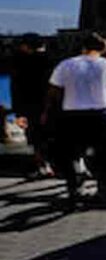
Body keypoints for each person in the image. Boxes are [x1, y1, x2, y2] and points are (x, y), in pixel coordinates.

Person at [42, 32, 106, 209]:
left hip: (73, 115)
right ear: (102, 49)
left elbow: (54, 89)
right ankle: (103, 188)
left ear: (83, 47)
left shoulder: (66, 64)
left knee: (71, 154)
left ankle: (74, 189)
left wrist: (50, 111)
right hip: (102, 114)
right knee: (104, 154)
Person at [10, 33, 55, 178]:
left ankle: (43, 166)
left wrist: (18, 112)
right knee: (50, 136)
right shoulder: (52, 61)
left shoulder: (21, 63)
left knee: (36, 138)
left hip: (31, 106)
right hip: (52, 104)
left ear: (26, 46)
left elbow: (16, 88)